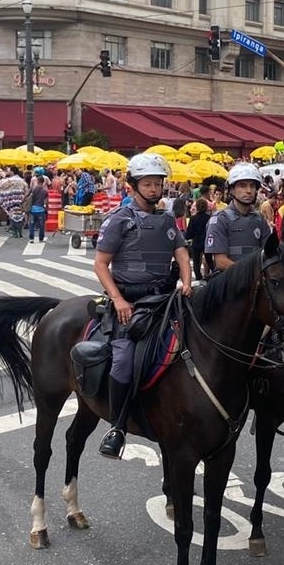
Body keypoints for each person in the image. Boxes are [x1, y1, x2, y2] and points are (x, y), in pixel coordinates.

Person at [93, 153, 191, 459]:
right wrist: (118, 300)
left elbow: (182, 254)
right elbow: (100, 264)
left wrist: (187, 282)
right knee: (124, 361)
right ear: (132, 186)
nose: (153, 189)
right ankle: (117, 426)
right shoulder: (118, 220)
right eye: (147, 184)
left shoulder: (166, 221)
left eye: (157, 183)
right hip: (129, 303)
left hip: (164, 298)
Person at [204, 163, 271, 272]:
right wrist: (249, 274)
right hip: (229, 283)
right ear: (231, 190)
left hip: (257, 283)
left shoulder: (260, 219)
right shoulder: (220, 219)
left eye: (252, 186)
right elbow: (220, 261)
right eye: (243, 185)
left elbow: (269, 253)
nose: (249, 190)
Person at [185, 198, 213, 279]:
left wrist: (188, 237)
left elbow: (189, 234)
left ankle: (198, 277)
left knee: (196, 262)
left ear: (197, 207)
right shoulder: (209, 218)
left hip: (196, 242)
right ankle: (213, 272)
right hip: (207, 242)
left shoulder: (193, 218)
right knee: (209, 259)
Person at [26, 174, 48, 243]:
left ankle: (31, 238)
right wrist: (46, 209)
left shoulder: (34, 190)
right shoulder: (45, 191)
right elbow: (46, 202)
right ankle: (41, 238)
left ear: (38, 181)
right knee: (42, 225)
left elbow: (30, 198)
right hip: (41, 210)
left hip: (33, 209)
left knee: (31, 224)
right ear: (43, 182)